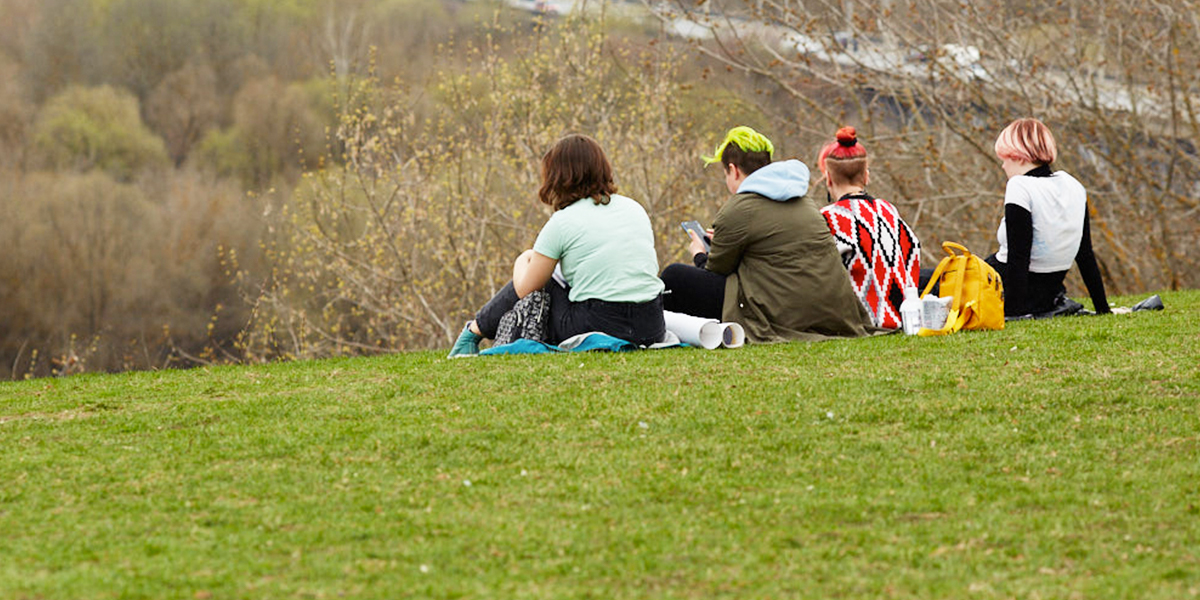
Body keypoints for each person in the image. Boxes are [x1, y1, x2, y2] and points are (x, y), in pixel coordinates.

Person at [448, 134, 666, 357]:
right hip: (651, 326)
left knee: (546, 276)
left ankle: (472, 333)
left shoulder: (563, 222)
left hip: (600, 325)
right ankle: (473, 331)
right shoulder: (635, 208)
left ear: (558, 176)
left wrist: (523, 258)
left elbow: (525, 289)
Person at [659, 126, 879, 342]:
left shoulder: (738, 208)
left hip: (780, 312)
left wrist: (699, 252)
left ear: (734, 170)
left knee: (674, 276)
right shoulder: (804, 200)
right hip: (831, 311)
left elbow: (714, 271)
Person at [987, 118, 1110, 317]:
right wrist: (1102, 309)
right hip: (1048, 295)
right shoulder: (1073, 185)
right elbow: (1085, 254)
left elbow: (1019, 257)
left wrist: (1014, 314)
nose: (1002, 166)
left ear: (1019, 157)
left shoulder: (1020, 186)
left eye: (1005, 159)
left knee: (929, 280)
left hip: (1001, 286)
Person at [817, 126, 921, 329]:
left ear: (828, 178)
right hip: (902, 316)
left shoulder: (828, 217)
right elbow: (913, 248)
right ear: (866, 176)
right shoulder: (887, 210)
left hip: (861, 321)